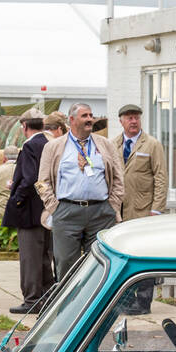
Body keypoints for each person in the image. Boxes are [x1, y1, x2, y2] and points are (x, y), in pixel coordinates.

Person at [37, 102, 124, 279]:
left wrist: (112, 206)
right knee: (66, 263)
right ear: (71, 119)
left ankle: (97, 306)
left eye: (91, 116)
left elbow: (118, 178)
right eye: (85, 116)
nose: (90, 119)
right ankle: (68, 305)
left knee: (100, 264)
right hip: (66, 212)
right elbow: (42, 182)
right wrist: (55, 207)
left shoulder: (106, 145)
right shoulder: (53, 147)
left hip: (101, 213)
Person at [4, 109, 54, 314]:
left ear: (24, 126)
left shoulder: (30, 146)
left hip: (30, 211)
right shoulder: (50, 144)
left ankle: (32, 299)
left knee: (30, 259)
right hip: (48, 209)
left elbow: (30, 177)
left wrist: (16, 198)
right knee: (44, 258)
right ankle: (48, 296)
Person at [114, 103, 168, 222]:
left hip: (142, 210)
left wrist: (156, 209)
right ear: (121, 122)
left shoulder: (152, 144)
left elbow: (161, 177)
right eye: (130, 118)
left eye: (137, 118)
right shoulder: (113, 144)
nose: (134, 121)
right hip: (118, 210)